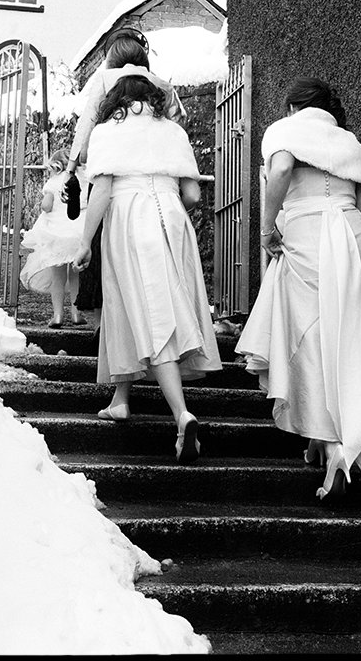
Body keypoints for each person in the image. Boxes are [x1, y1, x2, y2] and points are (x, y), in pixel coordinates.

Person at [235, 77, 361, 502]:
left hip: (309, 235)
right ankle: (322, 441)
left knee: (311, 340)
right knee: (343, 340)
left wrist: (267, 229)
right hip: (352, 235)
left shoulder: (286, 131)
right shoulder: (349, 142)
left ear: (293, 106)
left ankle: (339, 448)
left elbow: (282, 169)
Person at [74, 74, 221, 464]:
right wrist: (166, 200)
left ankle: (181, 414)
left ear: (117, 101)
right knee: (143, 304)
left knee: (151, 313)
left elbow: (102, 190)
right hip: (172, 216)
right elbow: (192, 194)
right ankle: (120, 398)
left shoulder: (107, 132)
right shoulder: (173, 132)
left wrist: (85, 241)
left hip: (129, 216)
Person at [62, 28, 187, 321]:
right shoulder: (162, 85)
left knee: (100, 249)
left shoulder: (105, 80)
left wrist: (71, 169)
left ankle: (106, 327)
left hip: (109, 173)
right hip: (155, 182)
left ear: (112, 59)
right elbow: (177, 125)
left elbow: (88, 123)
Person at [19, 148, 88, 327]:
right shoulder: (82, 179)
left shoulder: (53, 182)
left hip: (57, 236)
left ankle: (57, 316)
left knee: (58, 278)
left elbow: (46, 206)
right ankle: (76, 314)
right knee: (76, 277)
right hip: (77, 236)